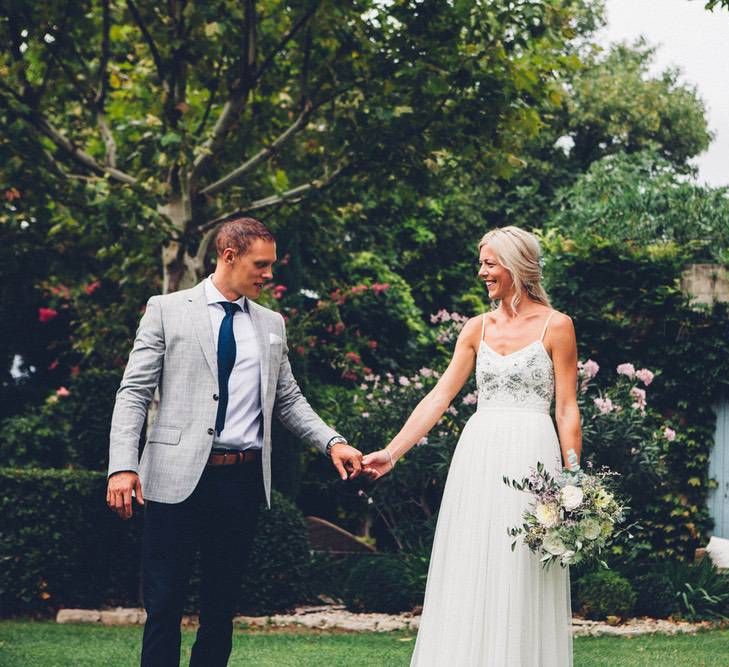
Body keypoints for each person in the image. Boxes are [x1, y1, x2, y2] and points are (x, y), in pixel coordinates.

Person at [106, 215, 362, 667]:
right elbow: (134, 392)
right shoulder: (166, 309)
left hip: (240, 482)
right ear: (229, 256)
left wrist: (332, 442)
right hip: (172, 479)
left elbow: (288, 399)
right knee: (163, 604)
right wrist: (122, 465)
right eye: (261, 265)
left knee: (221, 607)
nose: (269, 274)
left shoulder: (271, 324)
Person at [363, 226, 580, 666]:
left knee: (520, 566)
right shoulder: (476, 328)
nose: (481, 272)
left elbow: (567, 410)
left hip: (532, 458)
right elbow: (439, 397)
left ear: (517, 265)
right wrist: (392, 451)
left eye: (489, 262)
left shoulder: (558, 326)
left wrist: (572, 479)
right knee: (471, 562)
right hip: (479, 455)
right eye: (481, 263)